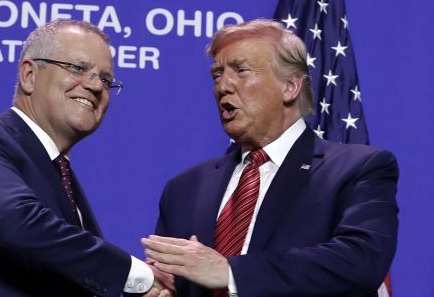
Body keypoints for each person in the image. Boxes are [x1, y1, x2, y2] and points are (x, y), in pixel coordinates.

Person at [0, 19, 173, 296]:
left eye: (106, 80)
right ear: (29, 75)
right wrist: (136, 274)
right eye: (77, 68)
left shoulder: (62, 179)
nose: (96, 86)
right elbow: (15, 224)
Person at [141, 19, 399, 296]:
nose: (223, 86)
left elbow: (361, 261)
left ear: (289, 87)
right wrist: (157, 288)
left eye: (241, 71)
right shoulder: (185, 188)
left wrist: (231, 273)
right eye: (217, 74)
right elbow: (170, 277)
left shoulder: (356, 169)